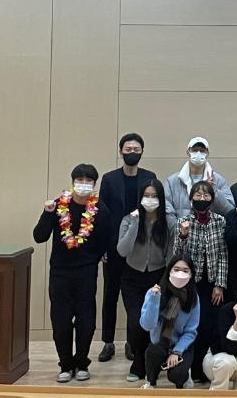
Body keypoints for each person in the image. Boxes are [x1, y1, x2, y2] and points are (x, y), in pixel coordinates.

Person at [33, 164, 112, 383]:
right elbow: (39, 236)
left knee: (86, 322)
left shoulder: (101, 210)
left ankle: (82, 363)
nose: (84, 185)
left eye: (89, 181)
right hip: (60, 273)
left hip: (86, 273)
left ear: (94, 184)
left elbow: (106, 241)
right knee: (61, 321)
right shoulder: (58, 205)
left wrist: (92, 259)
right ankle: (65, 365)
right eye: (80, 180)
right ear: (73, 182)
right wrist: (47, 213)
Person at [96, 132, 157, 363]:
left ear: (142, 152)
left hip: (140, 248)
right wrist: (103, 246)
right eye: (128, 149)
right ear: (121, 151)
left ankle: (134, 342)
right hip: (114, 247)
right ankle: (108, 342)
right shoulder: (109, 179)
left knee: (137, 299)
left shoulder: (149, 177)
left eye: (136, 149)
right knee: (110, 296)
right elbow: (102, 215)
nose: (132, 153)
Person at [117, 179, 177, 382]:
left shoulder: (169, 223)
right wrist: (135, 224)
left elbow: (171, 256)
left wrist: (165, 282)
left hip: (157, 277)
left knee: (153, 323)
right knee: (136, 322)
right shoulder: (129, 219)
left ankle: (150, 362)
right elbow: (122, 250)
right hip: (132, 278)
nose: (150, 200)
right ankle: (137, 364)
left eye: (154, 196)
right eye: (146, 196)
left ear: (161, 199)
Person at [170, 181, 228, 384]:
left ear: (212, 199)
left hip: (211, 283)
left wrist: (220, 284)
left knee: (209, 325)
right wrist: (183, 235)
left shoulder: (220, 221)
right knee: (192, 325)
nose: (202, 199)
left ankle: (205, 369)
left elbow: (223, 255)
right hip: (189, 283)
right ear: (191, 198)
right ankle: (190, 368)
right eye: (198, 195)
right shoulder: (183, 221)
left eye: (206, 195)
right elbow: (177, 256)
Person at [139, 256, 200, 389]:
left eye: (185, 271)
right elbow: (147, 325)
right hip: (160, 343)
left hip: (181, 345)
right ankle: (150, 381)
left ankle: (185, 377)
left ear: (191, 275)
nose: (180, 274)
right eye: (176, 269)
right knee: (153, 353)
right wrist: (154, 299)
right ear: (169, 271)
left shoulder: (193, 298)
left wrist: (177, 352)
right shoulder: (154, 292)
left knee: (177, 375)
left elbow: (190, 331)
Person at [165, 137, 235, 219]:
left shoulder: (218, 180)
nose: (198, 153)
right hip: (180, 226)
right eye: (194, 150)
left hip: (211, 227)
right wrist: (177, 226)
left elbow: (230, 211)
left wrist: (214, 191)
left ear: (207, 153)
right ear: (188, 152)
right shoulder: (172, 181)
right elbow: (167, 210)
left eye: (202, 151)